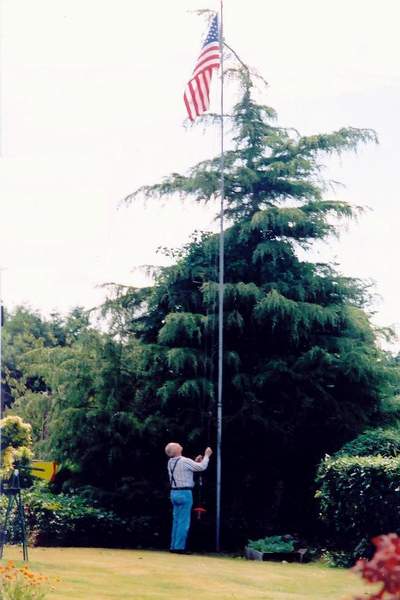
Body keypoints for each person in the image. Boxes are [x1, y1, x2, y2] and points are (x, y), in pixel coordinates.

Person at [165, 442, 213, 554]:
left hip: (174, 493)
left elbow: (187, 469)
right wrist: (207, 455)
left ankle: (173, 546)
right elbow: (202, 467)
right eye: (176, 444)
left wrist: (195, 462)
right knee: (183, 521)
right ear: (176, 450)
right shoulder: (183, 460)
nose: (179, 444)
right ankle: (179, 547)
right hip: (185, 493)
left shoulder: (170, 462)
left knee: (176, 520)